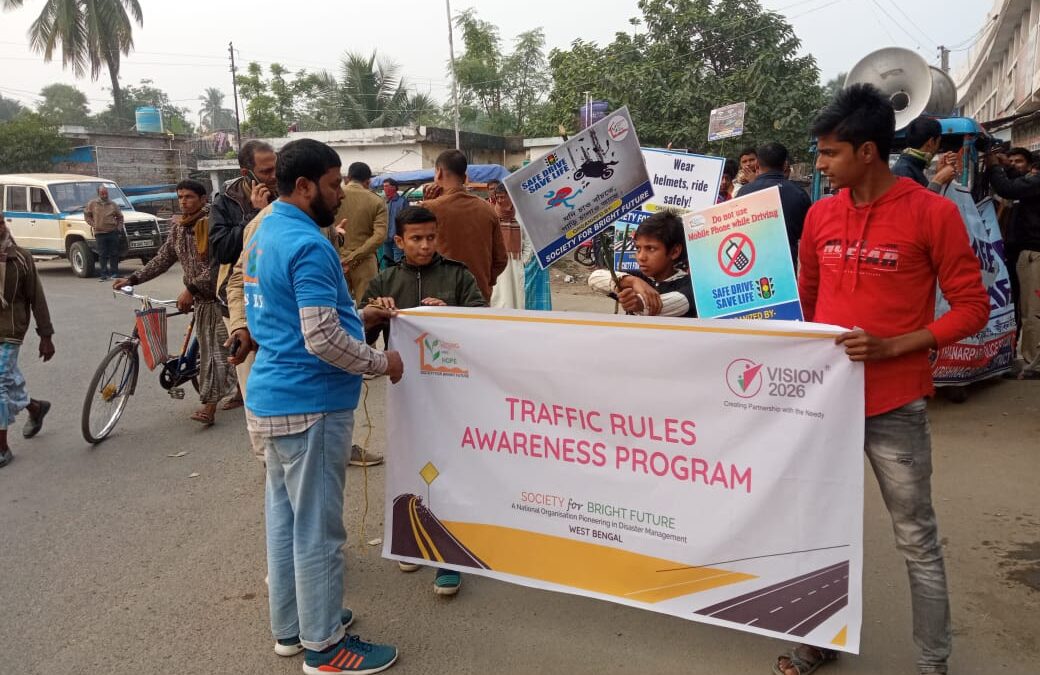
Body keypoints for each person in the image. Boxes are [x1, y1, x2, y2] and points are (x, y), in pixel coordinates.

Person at [772, 83, 989, 675]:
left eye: (828, 153)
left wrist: (895, 346)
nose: (818, 164)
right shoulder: (819, 215)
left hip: (896, 405)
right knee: (816, 529)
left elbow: (972, 309)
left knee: (916, 539)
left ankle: (932, 663)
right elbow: (811, 306)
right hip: (825, 407)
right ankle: (819, 638)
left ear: (867, 152)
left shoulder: (933, 213)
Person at [241, 138, 402, 674]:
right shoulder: (309, 245)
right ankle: (326, 647)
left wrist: (361, 317)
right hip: (310, 403)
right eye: (334, 185)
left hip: (272, 396)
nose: (341, 195)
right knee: (318, 530)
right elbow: (322, 337)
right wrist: (381, 364)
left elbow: (301, 319)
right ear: (305, 185)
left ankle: (294, 628)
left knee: (286, 521)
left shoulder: (266, 232)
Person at [362, 205, 486, 597]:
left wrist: (451, 315)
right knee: (407, 465)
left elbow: (485, 326)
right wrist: (372, 316)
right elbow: (359, 336)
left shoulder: (457, 275)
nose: (425, 245)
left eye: (431, 237)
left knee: (448, 468)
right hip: (405, 393)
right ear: (399, 241)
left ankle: (448, 558)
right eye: (416, 239)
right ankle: (411, 542)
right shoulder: (384, 280)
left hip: (451, 395)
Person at [113, 180, 237, 426]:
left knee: (214, 354)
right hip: (198, 299)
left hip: (218, 297)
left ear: (203, 199)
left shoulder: (213, 224)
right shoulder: (180, 228)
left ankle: (209, 407)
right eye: (180, 197)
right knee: (215, 349)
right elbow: (163, 258)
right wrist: (134, 278)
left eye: (189, 196)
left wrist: (191, 289)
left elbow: (219, 266)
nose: (184, 201)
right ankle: (238, 390)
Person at [209, 140, 277, 459]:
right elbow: (222, 250)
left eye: (275, 167)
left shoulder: (286, 190)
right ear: (246, 172)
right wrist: (254, 214)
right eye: (266, 171)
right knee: (253, 384)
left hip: (279, 298)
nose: (273, 175)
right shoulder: (227, 201)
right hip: (241, 303)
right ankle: (265, 456)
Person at [0, 213, 54, 469]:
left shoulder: (20, 257)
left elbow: (36, 297)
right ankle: (34, 407)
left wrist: (46, 335)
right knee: (7, 378)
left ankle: (2, 448)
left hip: (10, 329)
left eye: (0, 222)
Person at [423, 150, 507, 302]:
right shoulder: (487, 209)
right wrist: (485, 281)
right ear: (465, 177)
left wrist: (427, 203)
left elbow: (418, 255)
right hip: (478, 294)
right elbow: (501, 259)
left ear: (439, 172)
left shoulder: (429, 208)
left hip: (438, 297)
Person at [988, 146, 1040, 377]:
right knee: (1020, 311)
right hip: (1021, 253)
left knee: (1032, 312)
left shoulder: (1035, 183)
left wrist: (995, 167)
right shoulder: (1031, 183)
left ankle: (1033, 365)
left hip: (1034, 253)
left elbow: (1008, 188)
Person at [587, 211, 696, 317]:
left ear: (674, 252)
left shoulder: (692, 286)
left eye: (651, 248)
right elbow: (594, 278)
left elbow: (671, 304)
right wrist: (632, 281)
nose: (641, 257)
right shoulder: (637, 278)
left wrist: (637, 303)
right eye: (638, 248)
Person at [739, 142, 813, 264]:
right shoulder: (799, 194)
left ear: (757, 164)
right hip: (786, 265)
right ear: (785, 165)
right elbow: (805, 233)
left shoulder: (744, 192)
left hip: (751, 263)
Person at [333, 162, 388, 305]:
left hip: (336, 260)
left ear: (347, 178)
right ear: (368, 182)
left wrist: (344, 258)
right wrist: (353, 257)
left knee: (336, 308)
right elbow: (379, 236)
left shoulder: (333, 197)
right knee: (368, 308)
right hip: (365, 262)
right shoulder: (376, 201)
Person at [891, 116, 958, 192]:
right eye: (939, 142)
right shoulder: (903, 171)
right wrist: (938, 179)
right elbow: (919, 203)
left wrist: (939, 173)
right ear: (931, 142)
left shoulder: (912, 167)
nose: (937, 149)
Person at [489, 183, 524, 309]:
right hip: (497, 261)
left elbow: (527, 239)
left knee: (515, 295)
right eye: (497, 197)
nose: (500, 200)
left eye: (503, 197)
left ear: (510, 196)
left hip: (515, 262)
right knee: (498, 295)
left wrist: (524, 259)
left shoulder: (519, 214)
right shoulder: (492, 213)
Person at [84, 185, 124, 281]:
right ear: (98, 193)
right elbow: (87, 216)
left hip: (112, 232)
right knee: (102, 254)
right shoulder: (92, 204)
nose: (104, 195)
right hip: (99, 233)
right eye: (102, 193)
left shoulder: (113, 204)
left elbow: (120, 217)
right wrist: (94, 224)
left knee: (114, 253)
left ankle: (114, 273)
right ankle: (103, 274)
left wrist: (118, 228)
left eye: (106, 193)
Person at [380, 178, 408, 269]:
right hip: (385, 238)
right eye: (383, 186)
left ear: (394, 187)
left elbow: (407, 220)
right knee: (387, 261)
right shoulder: (383, 202)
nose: (384, 188)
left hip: (398, 238)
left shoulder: (402, 202)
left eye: (386, 186)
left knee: (398, 262)